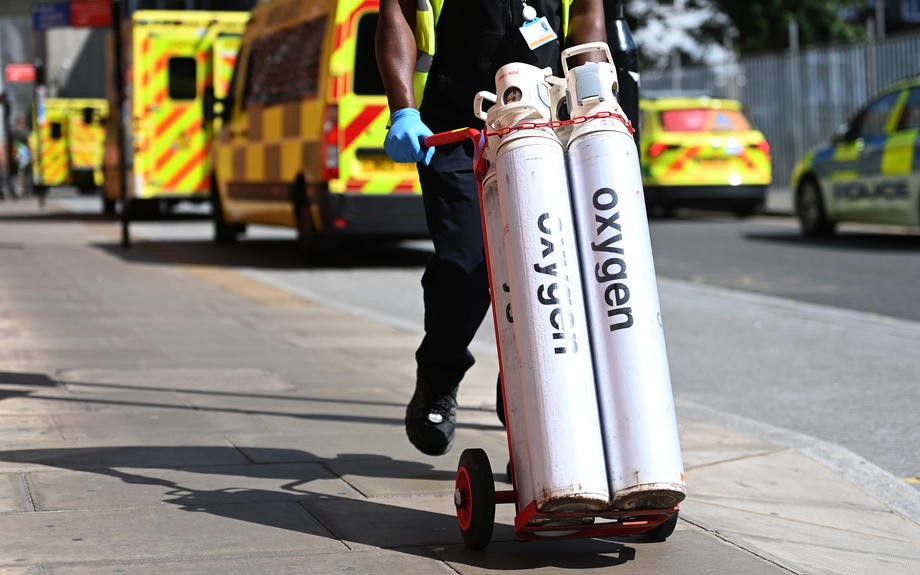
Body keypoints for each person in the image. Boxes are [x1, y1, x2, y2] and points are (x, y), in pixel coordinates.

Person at [376, 0, 607, 456]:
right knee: (468, 265)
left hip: (546, 122)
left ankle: (526, 388)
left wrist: (596, 99)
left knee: (552, 261)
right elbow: (397, 12)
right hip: (457, 130)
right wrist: (403, 109)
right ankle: (438, 376)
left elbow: (586, 17)